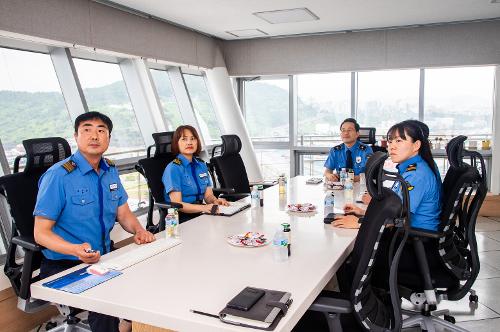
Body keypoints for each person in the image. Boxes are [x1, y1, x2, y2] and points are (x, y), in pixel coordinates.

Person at [34, 111, 155, 332]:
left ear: (108, 138)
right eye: (87, 130)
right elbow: (41, 233)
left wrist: (139, 230)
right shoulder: (58, 176)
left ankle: (130, 325)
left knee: (148, 277)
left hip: (104, 257)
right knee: (104, 301)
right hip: (64, 264)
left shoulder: (110, 171)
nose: (94, 136)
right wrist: (74, 250)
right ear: (76, 136)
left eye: (101, 131)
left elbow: (124, 214)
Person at [332, 120, 442, 231]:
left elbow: (398, 219)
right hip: (406, 232)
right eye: (390, 142)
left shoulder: (417, 175)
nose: (391, 147)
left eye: (398, 141)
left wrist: (360, 223)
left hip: (413, 238)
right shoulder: (411, 169)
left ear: (416, 145)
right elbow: (396, 209)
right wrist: (363, 213)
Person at [162, 125, 228, 218]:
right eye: (184, 139)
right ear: (176, 143)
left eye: (193, 138)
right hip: (181, 217)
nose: (189, 142)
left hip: (200, 211)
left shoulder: (201, 165)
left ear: (197, 142)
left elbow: (208, 196)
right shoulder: (173, 168)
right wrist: (203, 208)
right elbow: (177, 204)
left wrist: (215, 201)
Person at [324, 118, 373, 182]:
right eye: (343, 130)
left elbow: (370, 174)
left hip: (360, 187)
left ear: (357, 134)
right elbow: (327, 171)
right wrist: (330, 176)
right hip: (340, 188)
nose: (346, 133)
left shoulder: (366, 150)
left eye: (349, 130)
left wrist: (349, 179)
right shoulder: (335, 151)